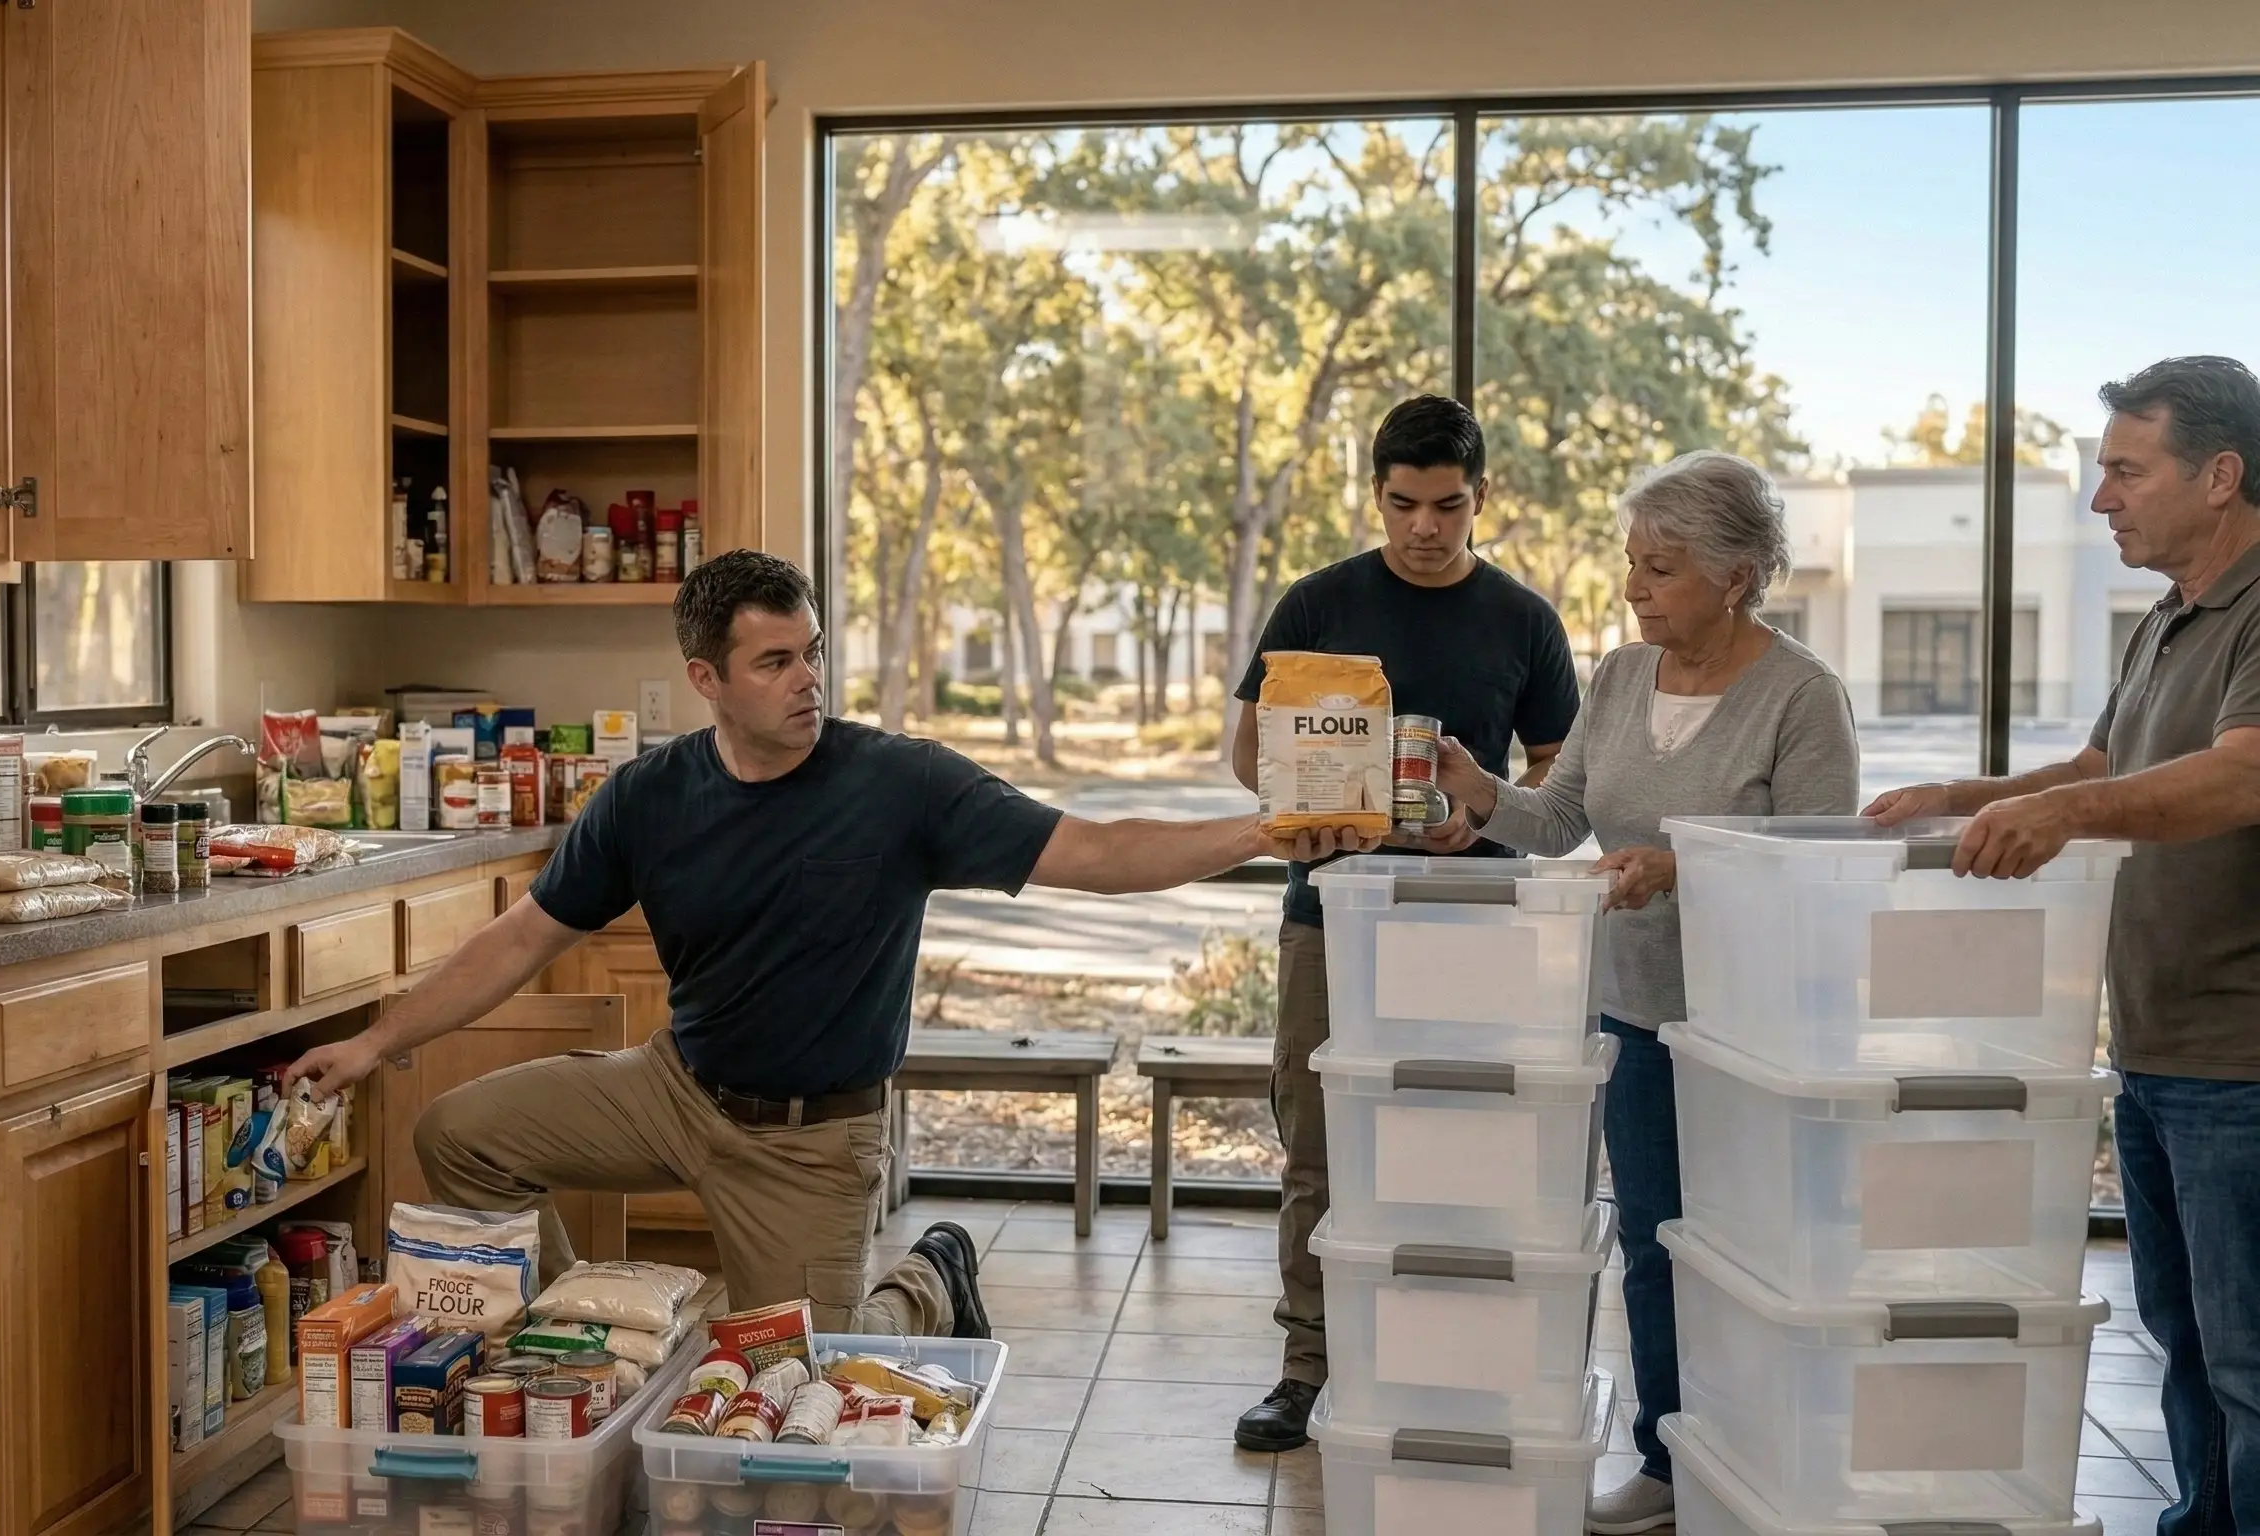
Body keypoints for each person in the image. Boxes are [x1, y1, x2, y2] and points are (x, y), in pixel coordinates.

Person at [294, 551, 1347, 1342]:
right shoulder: (648, 796)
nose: (807, 679)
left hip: (811, 1139)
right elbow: (522, 935)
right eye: (774, 661)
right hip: (673, 1089)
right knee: (460, 1135)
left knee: (799, 1390)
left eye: (812, 654)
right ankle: (586, 1331)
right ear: (706, 678)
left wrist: (1262, 833)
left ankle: (927, 1284)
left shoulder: (900, 784)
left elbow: (1099, 850)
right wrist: (375, 1043)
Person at [1865, 356, 2260, 1533]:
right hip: (2153, 1044)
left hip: (2239, 1061)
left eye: (2125, 472)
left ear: (2220, 475)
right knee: (2185, 1341)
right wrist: (1960, 795)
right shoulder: (2170, 617)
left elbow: (2240, 776)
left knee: (2247, 1360)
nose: (2100, 499)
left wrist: (2064, 815)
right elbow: (2100, 766)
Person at [1435, 449, 1860, 1535]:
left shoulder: (1802, 696)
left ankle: (1763, 1458)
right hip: (1633, 1012)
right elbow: (1557, 821)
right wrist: (1477, 790)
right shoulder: (1623, 677)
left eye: (1659, 569)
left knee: (1758, 1258)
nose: (1633, 588)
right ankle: (1669, 1459)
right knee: (1656, 1246)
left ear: (1737, 576)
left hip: (1757, 1034)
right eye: (1631, 564)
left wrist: (1681, 867)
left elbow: (1823, 869)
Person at [1224, 394, 1582, 1452]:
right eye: (1402, 504)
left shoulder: (1524, 620)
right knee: (1318, 1147)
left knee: (1465, 1146)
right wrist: (1315, 800)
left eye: (1447, 505)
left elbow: (1555, 773)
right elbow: (1248, 752)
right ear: (1374, 494)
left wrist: (1485, 809)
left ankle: (1450, 1362)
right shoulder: (1317, 603)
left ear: (1481, 497)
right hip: (1328, 916)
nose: (1425, 527)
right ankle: (1307, 1367)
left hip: (1476, 921)